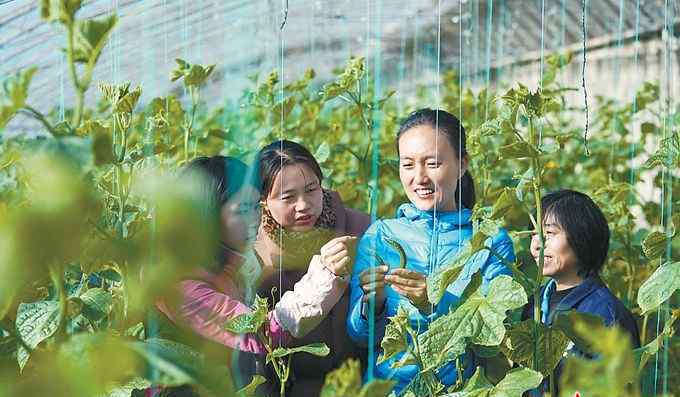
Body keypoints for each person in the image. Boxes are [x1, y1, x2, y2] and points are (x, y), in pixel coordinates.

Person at [346, 108, 515, 393]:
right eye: (408, 165)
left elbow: (497, 336)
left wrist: (433, 302)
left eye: (433, 163)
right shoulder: (382, 235)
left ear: (462, 164)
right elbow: (359, 336)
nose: (419, 177)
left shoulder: (490, 241)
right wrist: (370, 306)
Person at [153, 155, 354, 394]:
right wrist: (325, 274)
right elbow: (261, 335)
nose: (255, 219)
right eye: (242, 210)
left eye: (255, 207)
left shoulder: (229, 263)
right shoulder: (182, 289)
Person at [253, 140, 370, 396]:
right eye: (288, 197)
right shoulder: (253, 256)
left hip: (358, 385)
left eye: (311, 190)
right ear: (264, 203)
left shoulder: (361, 229)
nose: (304, 205)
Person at [524, 189, 640, 394]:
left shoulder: (605, 315)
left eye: (549, 233)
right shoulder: (533, 303)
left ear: (582, 237)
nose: (536, 244)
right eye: (533, 232)